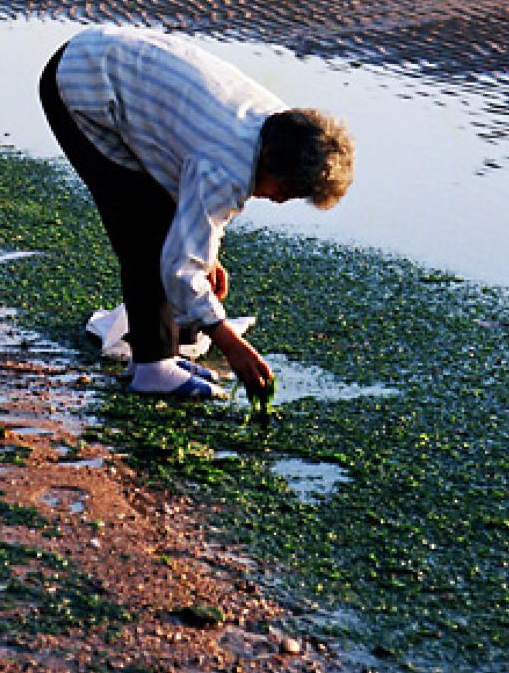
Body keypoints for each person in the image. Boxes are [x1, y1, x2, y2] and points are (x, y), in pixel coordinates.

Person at [39, 26, 355, 402]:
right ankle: (153, 368)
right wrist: (229, 341)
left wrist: (208, 254)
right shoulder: (228, 165)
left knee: (167, 225)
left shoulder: (282, 126)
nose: (279, 200)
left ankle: (162, 352)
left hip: (108, 58)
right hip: (80, 85)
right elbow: (180, 264)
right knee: (143, 227)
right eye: (285, 189)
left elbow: (193, 185)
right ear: (271, 158)